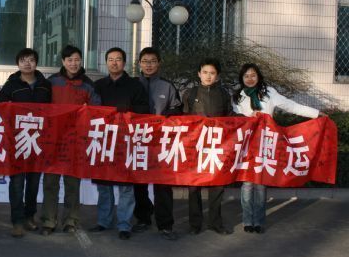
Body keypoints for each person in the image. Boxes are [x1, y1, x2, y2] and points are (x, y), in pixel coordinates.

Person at [232, 63, 324, 234]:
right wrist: (249, 116)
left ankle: (259, 222)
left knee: (260, 184)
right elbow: (233, 118)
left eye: (253, 75)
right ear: (241, 78)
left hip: (265, 143)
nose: (250, 79)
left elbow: (291, 106)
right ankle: (247, 221)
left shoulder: (269, 93)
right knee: (247, 185)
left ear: (259, 76)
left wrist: (316, 114)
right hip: (247, 145)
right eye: (246, 76)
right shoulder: (238, 96)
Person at [89, 47, 149, 240]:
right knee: (104, 184)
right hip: (104, 140)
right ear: (106, 62)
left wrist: (127, 110)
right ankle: (103, 221)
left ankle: (124, 224)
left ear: (124, 62)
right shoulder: (98, 85)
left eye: (118, 59)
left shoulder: (135, 86)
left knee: (126, 186)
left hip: (126, 141)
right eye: (110, 59)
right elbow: (91, 111)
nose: (114, 63)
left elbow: (144, 110)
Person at [40, 45, 101, 236]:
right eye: (70, 60)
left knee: (72, 184)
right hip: (53, 140)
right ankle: (48, 220)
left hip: (76, 140)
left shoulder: (88, 85)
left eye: (77, 60)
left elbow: (96, 109)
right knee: (50, 182)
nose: (73, 63)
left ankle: (71, 220)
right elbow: (41, 107)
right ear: (63, 62)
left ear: (81, 61)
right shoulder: (52, 82)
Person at [0, 48, 52, 238]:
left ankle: (30, 217)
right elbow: (0, 110)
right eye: (23, 60)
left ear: (36, 63)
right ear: (17, 63)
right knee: (17, 183)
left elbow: (53, 111)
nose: (27, 63)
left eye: (31, 60)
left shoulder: (45, 85)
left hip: (38, 140)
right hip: (17, 141)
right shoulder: (10, 85)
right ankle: (17, 221)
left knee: (33, 183)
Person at [134, 47, 183, 240]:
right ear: (139, 63)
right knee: (139, 182)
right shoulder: (133, 84)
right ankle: (143, 218)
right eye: (145, 61)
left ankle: (165, 224)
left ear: (159, 63)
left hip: (161, 142)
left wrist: (166, 118)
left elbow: (177, 110)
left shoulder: (167, 86)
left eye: (153, 61)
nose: (149, 65)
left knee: (163, 184)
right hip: (138, 140)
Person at [182, 58, 233, 235]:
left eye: (212, 73)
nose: (208, 76)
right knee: (193, 186)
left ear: (217, 76)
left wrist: (248, 119)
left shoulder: (224, 94)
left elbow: (231, 116)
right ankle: (195, 224)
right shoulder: (190, 93)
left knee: (217, 185)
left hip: (217, 146)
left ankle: (215, 223)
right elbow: (183, 118)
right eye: (205, 72)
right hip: (195, 146)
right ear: (199, 74)